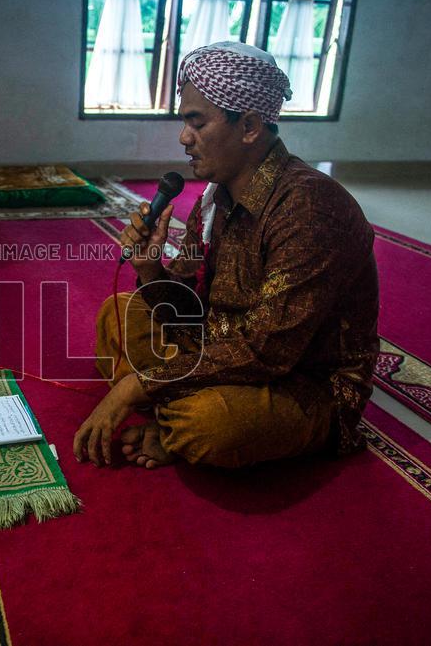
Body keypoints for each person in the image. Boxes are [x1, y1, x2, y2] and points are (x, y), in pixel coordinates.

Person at [72, 42, 379, 470]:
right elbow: (189, 308)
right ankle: (171, 415)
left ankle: (176, 420)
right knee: (119, 314)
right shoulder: (216, 197)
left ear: (249, 126)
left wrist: (135, 387)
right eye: (185, 123)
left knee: (209, 423)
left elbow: (268, 350)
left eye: (196, 123)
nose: (184, 138)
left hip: (302, 381)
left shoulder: (309, 208)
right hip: (221, 345)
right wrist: (149, 268)